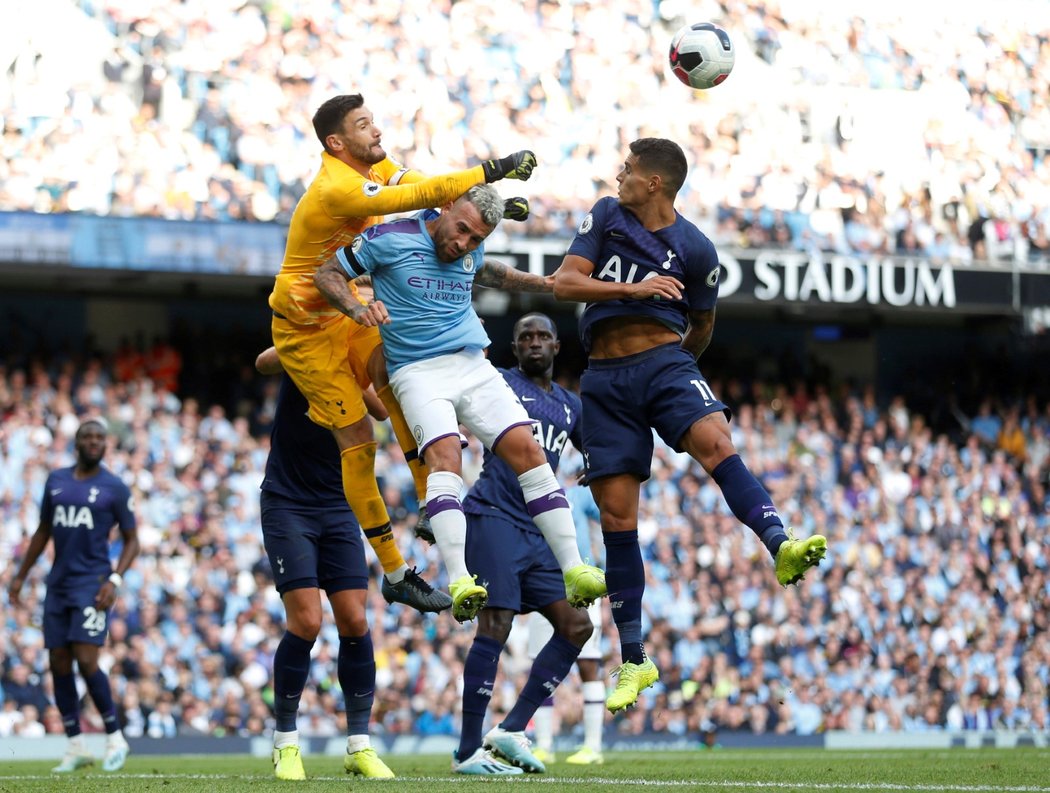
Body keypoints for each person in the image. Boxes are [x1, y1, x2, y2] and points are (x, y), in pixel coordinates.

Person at [552, 138, 828, 712]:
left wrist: (675, 370)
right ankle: (634, 659)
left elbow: (702, 324)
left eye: (628, 168)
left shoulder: (697, 248)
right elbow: (565, 283)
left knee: (715, 441)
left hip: (664, 364)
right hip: (604, 378)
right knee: (616, 517)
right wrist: (634, 289)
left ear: (655, 182)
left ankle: (780, 543)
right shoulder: (606, 215)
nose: (620, 173)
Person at [268, 93, 535, 612]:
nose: (377, 132)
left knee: (402, 376)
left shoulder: (370, 164)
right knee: (360, 438)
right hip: (307, 324)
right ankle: (394, 572)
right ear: (336, 142)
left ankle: (431, 503)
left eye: (374, 122)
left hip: (352, 304)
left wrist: (483, 204)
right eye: (364, 125)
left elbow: (420, 188)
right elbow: (414, 200)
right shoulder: (336, 187)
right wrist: (494, 170)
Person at [314, 184, 606, 623]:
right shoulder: (390, 239)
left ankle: (574, 570)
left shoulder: (471, 243)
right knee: (445, 458)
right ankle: (460, 579)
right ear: (445, 207)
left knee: (530, 453)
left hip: (473, 364)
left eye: (476, 238)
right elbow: (327, 274)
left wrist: (545, 283)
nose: (464, 243)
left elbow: (488, 272)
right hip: (416, 370)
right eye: (463, 230)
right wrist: (358, 311)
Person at [452, 313, 595, 775]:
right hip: (493, 517)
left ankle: (511, 729)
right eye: (525, 338)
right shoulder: (499, 383)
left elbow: (594, 444)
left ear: (556, 345)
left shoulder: (571, 405)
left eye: (542, 337)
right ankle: (467, 752)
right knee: (496, 624)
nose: (534, 343)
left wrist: (598, 460)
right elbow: (453, 404)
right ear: (514, 349)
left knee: (577, 626)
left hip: (540, 531)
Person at [253, 350, 400, 780]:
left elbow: (382, 410)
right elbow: (265, 362)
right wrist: (323, 338)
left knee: (355, 620)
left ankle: (359, 746)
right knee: (307, 622)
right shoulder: (303, 343)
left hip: (338, 504)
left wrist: (358, 355)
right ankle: (285, 743)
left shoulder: (358, 358)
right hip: (287, 502)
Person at [7, 418, 139, 773]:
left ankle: (115, 737)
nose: (94, 442)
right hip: (58, 584)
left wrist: (114, 579)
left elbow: (132, 540)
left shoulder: (114, 487)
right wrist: (19, 575)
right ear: (77, 443)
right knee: (58, 662)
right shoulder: (56, 481)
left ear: (106, 445)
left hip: (92, 584)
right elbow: (43, 530)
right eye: (87, 437)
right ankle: (75, 745)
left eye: (99, 437)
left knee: (87, 658)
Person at [527, 476, 606, 766]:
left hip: (581, 581)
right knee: (540, 665)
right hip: (543, 583)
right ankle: (544, 745)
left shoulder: (577, 493)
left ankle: (593, 746)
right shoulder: (527, 491)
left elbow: (609, 514)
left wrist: (606, 566)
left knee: (589, 663)